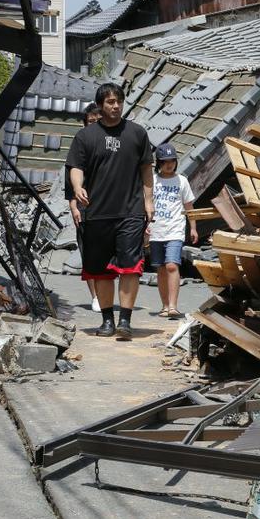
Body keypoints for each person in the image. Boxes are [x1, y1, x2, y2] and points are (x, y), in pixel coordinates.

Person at [66, 83, 154, 341]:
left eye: (119, 101)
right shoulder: (85, 136)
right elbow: (75, 166)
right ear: (100, 105)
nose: (116, 106)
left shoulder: (137, 133)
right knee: (101, 270)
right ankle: (107, 320)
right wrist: (78, 187)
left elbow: (146, 168)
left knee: (130, 268)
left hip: (130, 211)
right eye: (110, 102)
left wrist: (149, 201)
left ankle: (125, 321)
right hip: (96, 213)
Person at [147, 143, 197, 319]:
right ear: (158, 163)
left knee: (171, 265)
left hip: (175, 230)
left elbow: (189, 206)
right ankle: (165, 305)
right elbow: (144, 204)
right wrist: (144, 225)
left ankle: (174, 306)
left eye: (172, 161)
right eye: (165, 161)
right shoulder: (152, 181)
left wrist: (193, 227)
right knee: (161, 268)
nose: (169, 164)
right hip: (156, 230)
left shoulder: (182, 181)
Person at [64, 103, 102, 311]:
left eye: (98, 121)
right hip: (85, 206)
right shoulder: (80, 144)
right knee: (88, 253)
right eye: (90, 122)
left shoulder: (111, 143)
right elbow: (70, 177)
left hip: (108, 206)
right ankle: (95, 296)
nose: (94, 125)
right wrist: (73, 206)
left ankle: (105, 293)